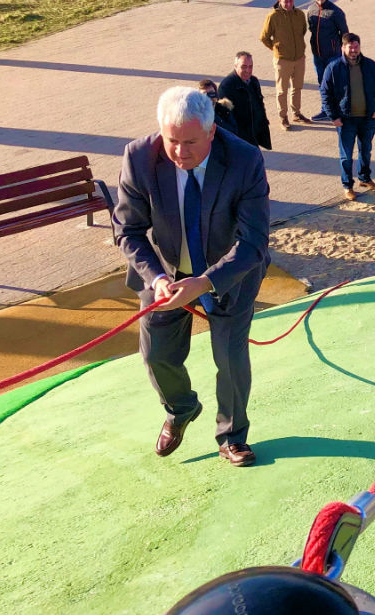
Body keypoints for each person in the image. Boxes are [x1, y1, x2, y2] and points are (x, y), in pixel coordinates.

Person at [114, 87, 271, 467]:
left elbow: (253, 243)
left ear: (212, 132)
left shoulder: (245, 159)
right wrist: (156, 279)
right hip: (165, 276)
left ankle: (232, 434)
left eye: (190, 142)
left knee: (230, 360)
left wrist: (205, 282)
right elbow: (127, 231)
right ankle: (181, 408)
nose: (180, 152)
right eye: (172, 141)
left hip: (229, 275)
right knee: (155, 355)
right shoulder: (138, 157)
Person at [321, 33, 375, 200]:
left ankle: (365, 178)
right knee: (346, 155)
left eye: (356, 47)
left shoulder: (370, 65)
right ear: (343, 48)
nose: (354, 50)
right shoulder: (333, 68)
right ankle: (347, 185)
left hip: (367, 117)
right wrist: (333, 117)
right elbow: (325, 93)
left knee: (366, 151)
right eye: (350, 47)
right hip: (345, 119)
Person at [260, 0, 310, 130]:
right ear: (279, 1)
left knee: (297, 87)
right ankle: (283, 117)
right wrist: (277, 49)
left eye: (290, 1)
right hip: (282, 60)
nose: (288, 4)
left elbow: (303, 32)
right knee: (282, 90)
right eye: (285, 1)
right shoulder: (273, 17)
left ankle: (297, 113)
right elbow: (264, 37)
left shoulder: (299, 14)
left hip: (299, 58)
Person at [219, 52, 273, 150]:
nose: (248, 70)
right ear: (235, 66)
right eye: (244, 67)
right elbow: (225, 117)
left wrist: (263, 123)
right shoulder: (226, 86)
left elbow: (260, 105)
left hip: (254, 133)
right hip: (240, 137)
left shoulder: (254, 81)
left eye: (250, 66)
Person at [306, 0, 348, 122]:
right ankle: (326, 110)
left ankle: (340, 111)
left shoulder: (336, 12)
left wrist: (343, 52)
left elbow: (345, 34)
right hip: (317, 55)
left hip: (333, 55)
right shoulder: (310, 9)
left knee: (336, 84)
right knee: (322, 83)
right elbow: (311, 29)